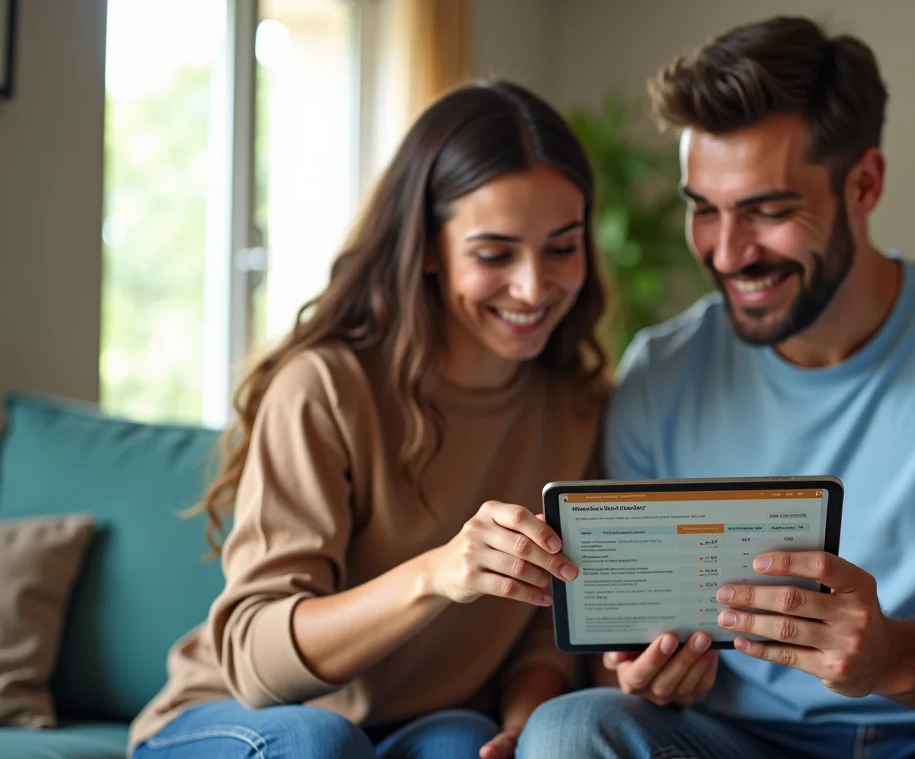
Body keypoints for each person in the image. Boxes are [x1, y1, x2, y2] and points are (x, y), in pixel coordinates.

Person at [518, 16, 915, 759]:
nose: (726, 253)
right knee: (568, 731)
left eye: (768, 211)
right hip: (735, 740)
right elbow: (619, 649)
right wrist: (648, 672)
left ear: (865, 184)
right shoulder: (660, 371)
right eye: (703, 209)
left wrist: (894, 658)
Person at [128, 81, 606, 759]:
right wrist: (438, 574)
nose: (533, 286)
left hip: (420, 724)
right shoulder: (325, 387)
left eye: (561, 248)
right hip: (238, 717)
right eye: (494, 253)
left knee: (465, 745)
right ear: (429, 248)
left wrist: (524, 729)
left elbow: (542, 631)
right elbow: (257, 662)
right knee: (321, 743)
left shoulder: (577, 405)